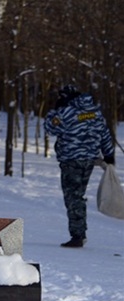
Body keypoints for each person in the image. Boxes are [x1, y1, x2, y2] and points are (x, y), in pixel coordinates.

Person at [44, 84, 115, 248]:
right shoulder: (95, 112)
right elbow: (105, 134)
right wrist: (109, 155)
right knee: (78, 194)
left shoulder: (66, 112)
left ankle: (78, 235)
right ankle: (79, 232)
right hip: (90, 159)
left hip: (71, 159)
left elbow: (50, 128)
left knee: (73, 196)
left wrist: (54, 112)